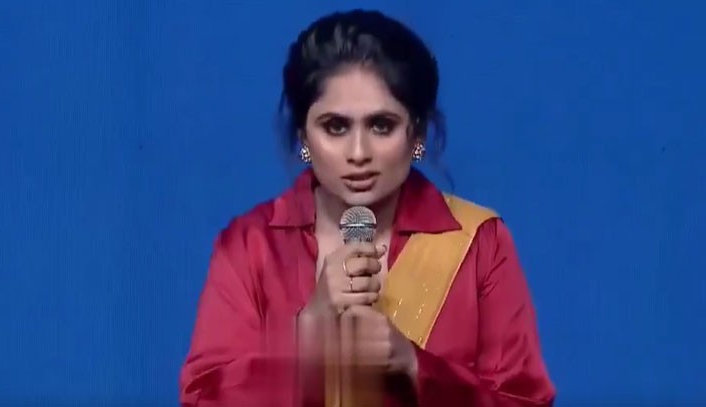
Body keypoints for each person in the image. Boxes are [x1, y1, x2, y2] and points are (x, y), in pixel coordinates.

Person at [179, 9, 556, 407]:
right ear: (303, 135)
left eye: (381, 125)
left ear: (417, 133)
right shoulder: (250, 246)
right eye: (335, 127)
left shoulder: (479, 242)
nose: (358, 153)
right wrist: (309, 340)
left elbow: (525, 401)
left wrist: (414, 367)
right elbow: (202, 399)